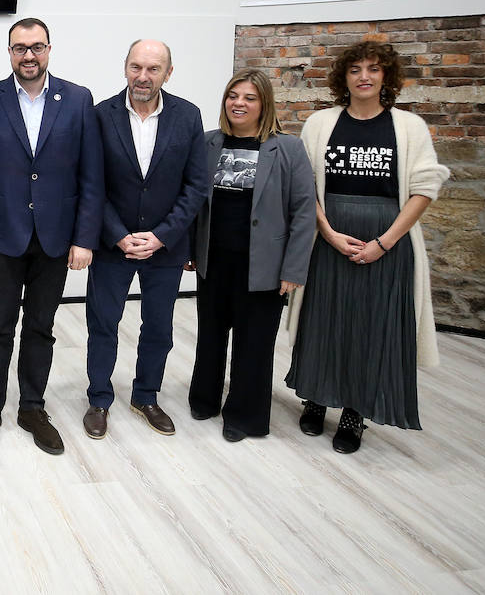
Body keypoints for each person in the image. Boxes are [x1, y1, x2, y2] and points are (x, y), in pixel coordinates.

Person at [286, 40, 449, 453]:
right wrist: (327, 232)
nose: (364, 76)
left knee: (371, 327)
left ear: (386, 77)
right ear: (343, 76)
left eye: (373, 69)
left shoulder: (409, 127)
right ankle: (316, 398)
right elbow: (304, 189)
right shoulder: (321, 123)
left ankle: (355, 412)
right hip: (329, 241)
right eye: (356, 69)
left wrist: (384, 242)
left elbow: (424, 189)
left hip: (387, 246)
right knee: (323, 321)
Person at [0, 18, 102, 455]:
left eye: (36, 47)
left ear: (49, 50)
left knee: (41, 327)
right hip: (3, 240)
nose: (28, 55)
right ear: (9, 52)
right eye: (20, 47)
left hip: (57, 241)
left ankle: (32, 408)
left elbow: (91, 176)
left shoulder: (78, 100)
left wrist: (85, 239)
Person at [85, 39, 207, 439]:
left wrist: (161, 236)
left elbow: (195, 186)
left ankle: (145, 396)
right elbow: (91, 185)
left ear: (168, 73)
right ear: (125, 68)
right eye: (136, 67)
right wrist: (119, 236)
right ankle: (100, 398)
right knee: (103, 324)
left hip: (164, 248)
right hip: (111, 244)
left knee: (159, 328)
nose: (143, 76)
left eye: (153, 69)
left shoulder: (188, 117)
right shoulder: (99, 116)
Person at [186, 69, 314, 442]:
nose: (239, 103)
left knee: (254, 342)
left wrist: (293, 269)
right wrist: (191, 249)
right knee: (210, 335)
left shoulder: (287, 148)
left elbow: (304, 211)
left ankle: (244, 416)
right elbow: (195, 202)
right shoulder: (208, 143)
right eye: (233, 96)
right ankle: (205, 400)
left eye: (249, 98)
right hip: (215, 261)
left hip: (264, 267)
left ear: (264, 104)